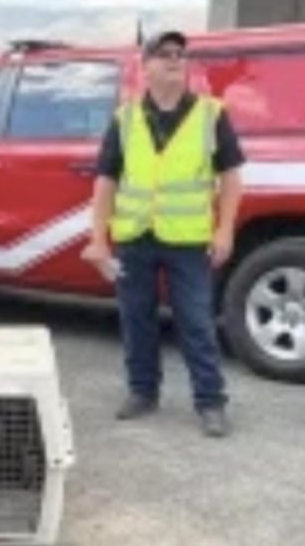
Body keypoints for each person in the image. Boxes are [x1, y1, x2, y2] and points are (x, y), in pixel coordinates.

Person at [81, 30, 245, 437]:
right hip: (134, 238)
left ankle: (210, 401)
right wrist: (98, 240)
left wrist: (225, 230)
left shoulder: (211, 113)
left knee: (196, 322)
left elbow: (231, 177)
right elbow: (106, 181)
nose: (174, 60)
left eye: (180, 54)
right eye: (164, 54)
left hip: (187, 241)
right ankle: (142, 392)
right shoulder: (126, 118)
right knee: (137, 319)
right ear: (145, 66)